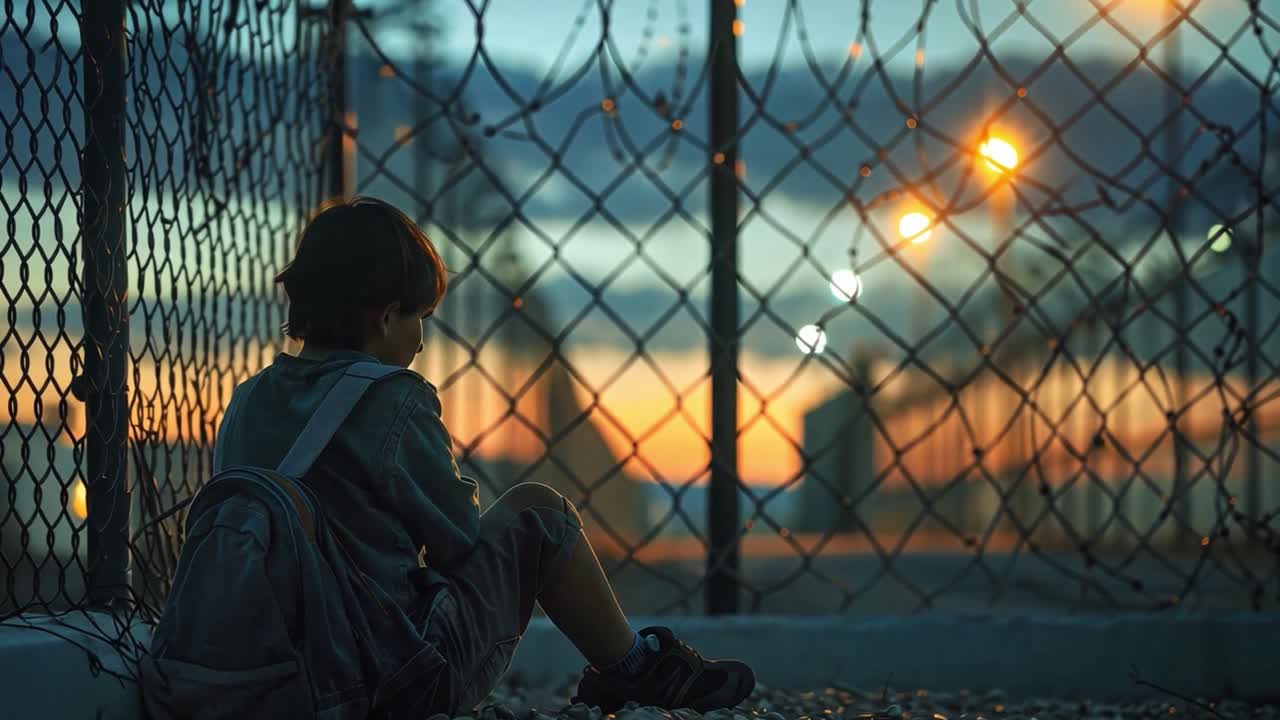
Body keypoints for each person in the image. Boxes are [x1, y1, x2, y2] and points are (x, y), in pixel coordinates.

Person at [213, 196, 756, 716]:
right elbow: (457, 537)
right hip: (389, 684)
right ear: (383, 318)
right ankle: (633, 664)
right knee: (541, 512)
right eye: (418, 317)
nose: (422, 342)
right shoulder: (391, 397)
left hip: (268, 676)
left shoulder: (247, 401)